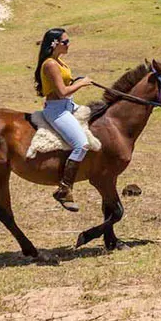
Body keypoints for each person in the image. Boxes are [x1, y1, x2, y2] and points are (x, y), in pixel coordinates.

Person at [35, 27, 97, 211]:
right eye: (65, 42)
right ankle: (64, 189)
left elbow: (64, 84)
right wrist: (81, 84)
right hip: (57, 111)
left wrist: (74, 81)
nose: (69, 45)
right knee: (81, 144)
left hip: (69, 106)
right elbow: (61, 92)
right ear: (55, 44)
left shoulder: (59, 61)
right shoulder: (50, 64)